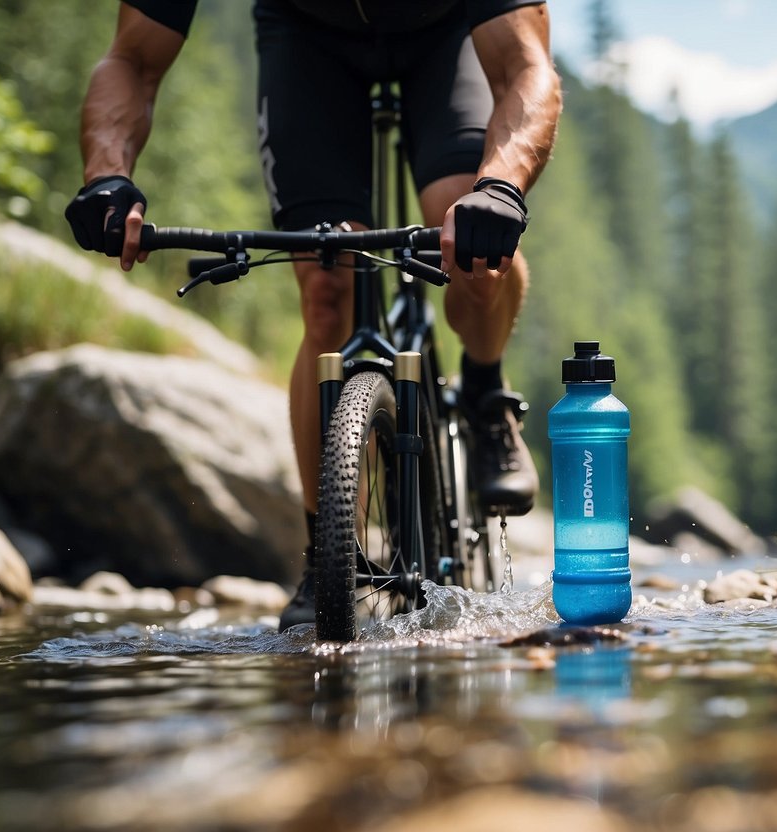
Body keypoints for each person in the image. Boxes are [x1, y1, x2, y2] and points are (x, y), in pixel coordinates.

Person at [64, 0, 562, 630]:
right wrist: (107, 175)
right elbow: (133, 59)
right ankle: (327, 554)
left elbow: (526, 66)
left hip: (450, 34)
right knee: (327, 285)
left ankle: (486, 390)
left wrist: (501, 187)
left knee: (470, 241)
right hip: (307, 36)